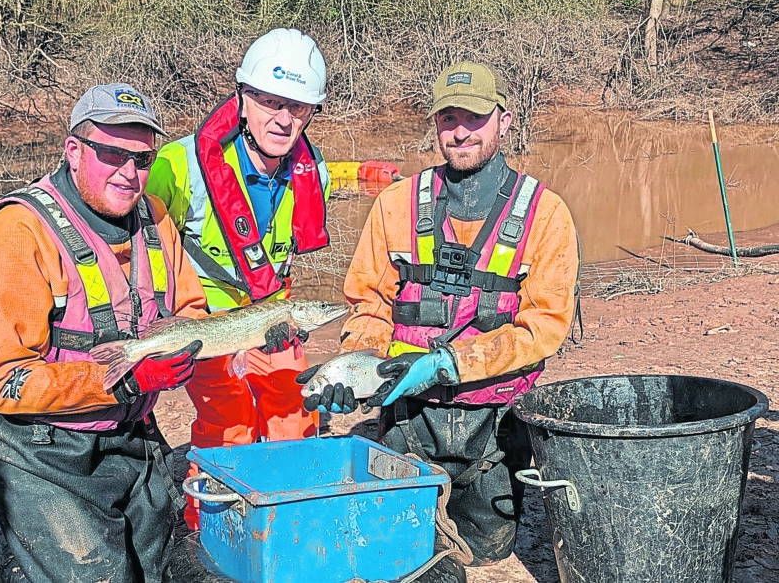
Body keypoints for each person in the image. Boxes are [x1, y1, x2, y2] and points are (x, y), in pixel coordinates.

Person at [309, 61, 580, 580]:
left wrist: (447, 364)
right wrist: (358, 366)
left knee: (487, 553)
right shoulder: (394, 205)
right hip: (408, 418)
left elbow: (544, 327)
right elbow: (367, 305)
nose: (459, 132)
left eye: (475, 117)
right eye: (447, 118)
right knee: (402, 552)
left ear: (505, 120)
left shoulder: (547, 215)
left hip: (496, 424)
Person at [0, 83, 208, 583]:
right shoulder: (15, 233)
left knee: (154, 565)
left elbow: (192, 310)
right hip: (30, 439)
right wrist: (129, 380)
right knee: (98, 574)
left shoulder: (154, 216)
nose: (129, 173)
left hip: (126, 426)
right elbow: (4, 380)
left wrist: (221, 344)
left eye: (142, 158)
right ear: (74, 150)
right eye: (112, 153)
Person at [146, 28, 331, 529]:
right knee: (229, 423)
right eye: (270, 101)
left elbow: (285, 261)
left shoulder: (315, 176)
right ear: (242, 99)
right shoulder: (177, 165)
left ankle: (289, 515)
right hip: (203, 320)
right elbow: (129, 234)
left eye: (298, 107)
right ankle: (208, 523)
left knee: (294, 413)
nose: (284, 118)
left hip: (271, 316)